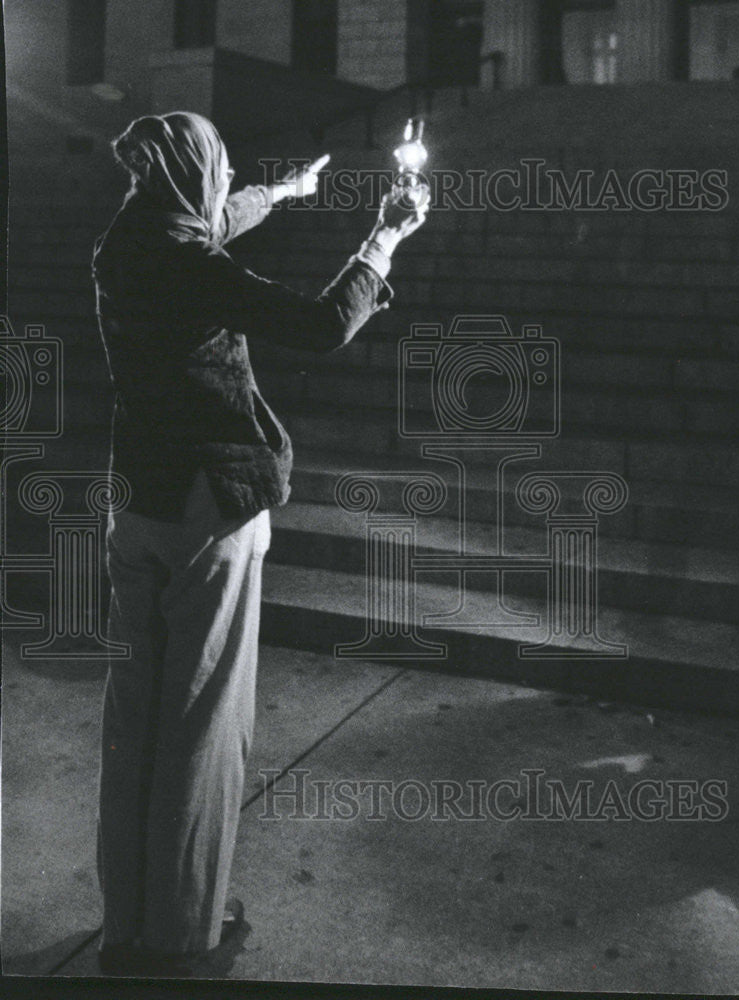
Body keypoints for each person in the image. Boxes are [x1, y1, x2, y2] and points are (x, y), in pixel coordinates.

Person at [92, 110, 428, 977]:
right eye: (224, 170)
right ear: (194, 177)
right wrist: (383, 238)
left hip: (137, 502)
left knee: (135, 720)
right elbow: (321, 325)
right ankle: (181, 934)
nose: (225, 184)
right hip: (209, 505)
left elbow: (204, 219)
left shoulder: (126, 240)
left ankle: (127, 922)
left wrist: (278, 193)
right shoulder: (191, 264)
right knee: (204, 722)